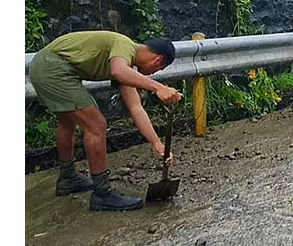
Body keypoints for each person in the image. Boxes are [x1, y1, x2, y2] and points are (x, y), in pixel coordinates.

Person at [28, 31, 182, 212]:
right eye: (157, 70)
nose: (153, 73)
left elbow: (135, 108)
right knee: (96, 125)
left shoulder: (125, 65)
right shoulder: (124, 45)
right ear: (158, 60)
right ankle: (102, 193)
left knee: (67, 122)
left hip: (45, 66)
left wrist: (156, 143)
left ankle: (68, 178)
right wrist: (158, 87)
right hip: (52, 68)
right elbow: (118, 70)